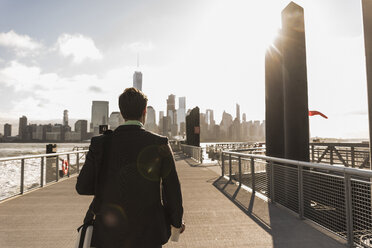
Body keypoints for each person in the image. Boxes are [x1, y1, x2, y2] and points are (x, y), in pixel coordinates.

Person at [76, 87, 184, 248]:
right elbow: (172, 188)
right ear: (144, 111)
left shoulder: (100, 143)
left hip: (107, 234)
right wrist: (176, 222)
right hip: (148, 234)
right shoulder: (159, 143)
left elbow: (82, 187)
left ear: (121, 113)